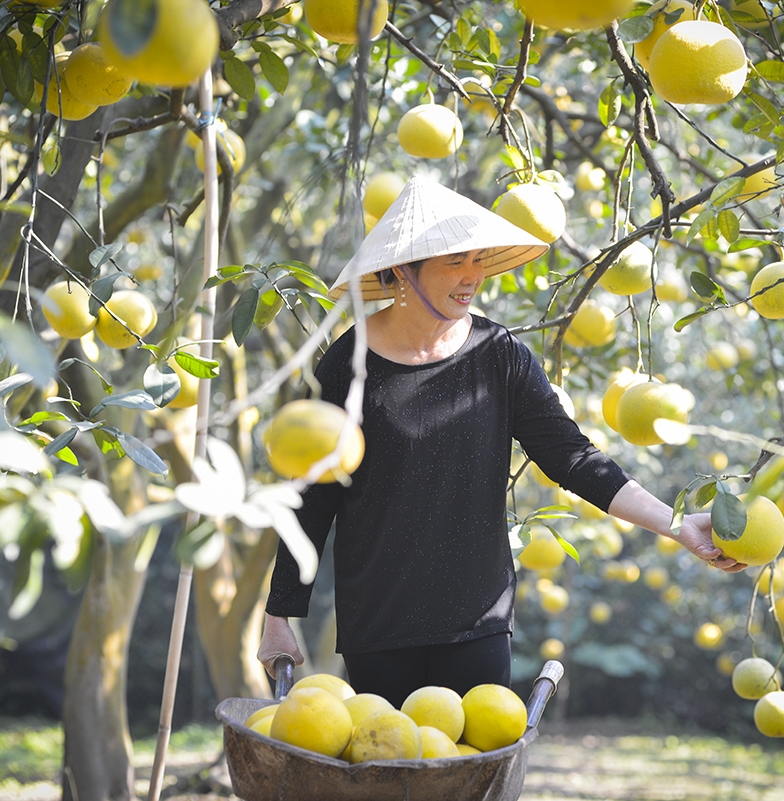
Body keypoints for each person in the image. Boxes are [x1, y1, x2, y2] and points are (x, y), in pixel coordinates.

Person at [258, 176, 744, 707]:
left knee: (477, 778)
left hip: (479, 620)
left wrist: (677, 526)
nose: (473, 278)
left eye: (479, 261)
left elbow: (573, 457)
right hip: (379, 623)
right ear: (401, 269)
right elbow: (310, 495)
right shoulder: (347, 364)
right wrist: (278, 615)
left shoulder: (500, 355)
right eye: (454, 262)